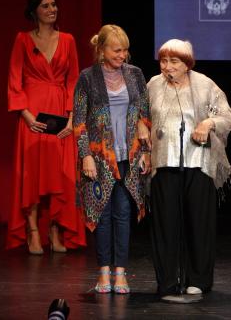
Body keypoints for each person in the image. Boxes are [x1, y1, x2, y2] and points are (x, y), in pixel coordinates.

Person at [147, 39, 231, 298]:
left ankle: (198, 278)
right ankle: (167, 281)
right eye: (163, 61)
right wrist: (142, 128)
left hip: (198, 162)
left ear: (187, 64)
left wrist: (208, 123)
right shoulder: (153, 85)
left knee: (198, 223)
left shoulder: (205, 84)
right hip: (164, 162)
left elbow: (228, 116)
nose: (167, 67)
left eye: (174, 62)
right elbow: (140, 115)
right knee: (165, 225)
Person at [7, 0, 86, 254]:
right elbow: (14, 82)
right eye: (45, 6)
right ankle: (32, 233)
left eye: (54, 5)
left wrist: (71, 118)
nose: (52, 9)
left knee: (58, 173)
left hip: (60, 116)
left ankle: (55, 230)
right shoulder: (22, 40)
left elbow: (74, 80)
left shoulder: (68, 40)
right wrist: (27, 116)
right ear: (34, 12)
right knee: (31, 174)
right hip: (32, 115)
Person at [73, 25, 151, 294]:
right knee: (102, 216)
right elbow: (79, 123)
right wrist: (85, 156)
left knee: (123, 214)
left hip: (128, 157)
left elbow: (144, 111)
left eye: (125, 50)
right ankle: (103, 272)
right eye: (116, 50)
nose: (122, 55)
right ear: (101, 50)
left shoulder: (135, 74)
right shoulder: (88, 78)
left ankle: (121, 272)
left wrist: (145, 142)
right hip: (98, 159)